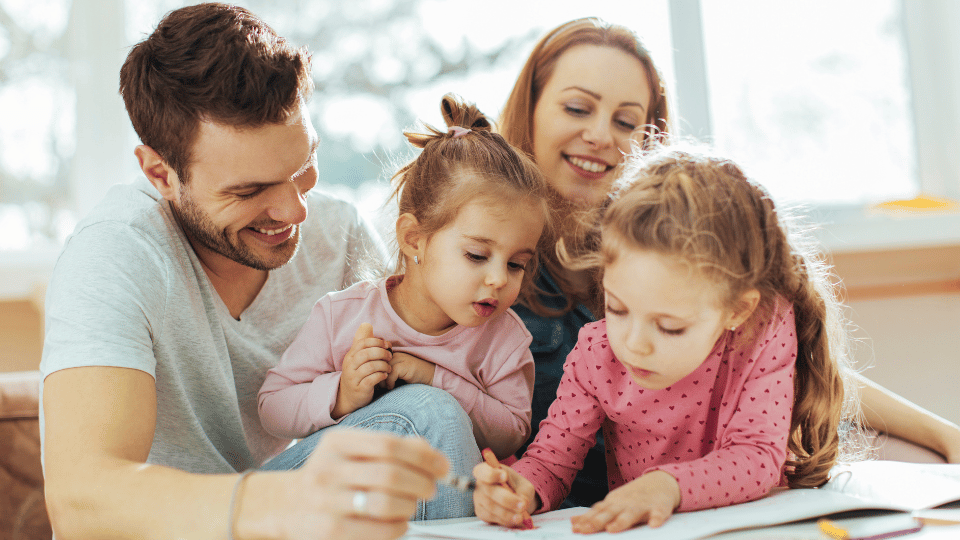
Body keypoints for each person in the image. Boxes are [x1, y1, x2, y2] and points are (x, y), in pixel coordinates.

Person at [497, 18, 960, 508]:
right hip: (600, 499)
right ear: (530, 111)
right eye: (576, 107)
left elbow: (806, 368)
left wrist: (945, 434)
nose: (598, 135)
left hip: (723, 488)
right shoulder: (487, 260)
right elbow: (547, 458)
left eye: (626, 121)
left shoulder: (704, 264)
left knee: (924, 468)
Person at [39, 4, 451, 539]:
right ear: (160, 173)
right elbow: (81, 505)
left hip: (282, 514)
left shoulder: (338, 233)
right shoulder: (114, 254)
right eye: (250, 191)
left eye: (302, 168)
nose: (295, 212)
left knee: (427, 413)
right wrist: (283, 502)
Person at [473, 144, 860, 533]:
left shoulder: (762, 331)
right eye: (618, 310)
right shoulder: (597, 350)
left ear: (736, 311)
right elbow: (551, 463)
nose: (634, 344)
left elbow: (758, 457)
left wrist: (666, 486)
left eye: (670, 327)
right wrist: (519, 489)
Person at [257, 94, 551, 516]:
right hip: (328, 499)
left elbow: (511, 435)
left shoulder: (504, 337)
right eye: (476, 255)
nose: (499, 279)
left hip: (422, 506)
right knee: (426, 415)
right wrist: (342, 393)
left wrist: (433, 377)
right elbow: (272, 409)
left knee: (436, 413)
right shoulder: (343, 314)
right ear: (414, 239)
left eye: (517, 263)